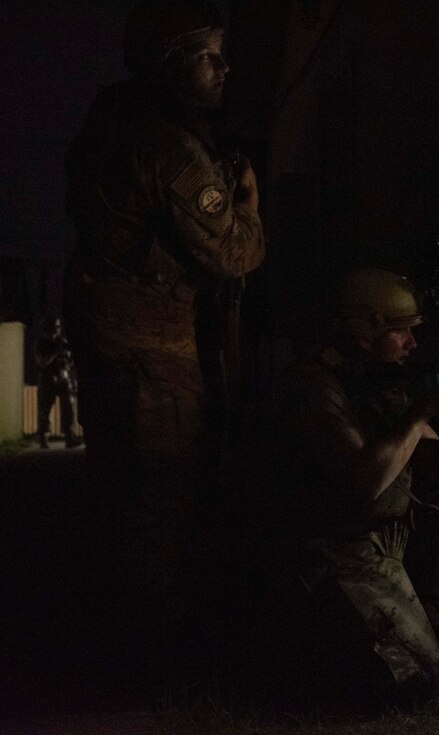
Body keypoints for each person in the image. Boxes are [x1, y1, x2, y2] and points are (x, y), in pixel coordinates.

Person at [62, 0, 265, 696]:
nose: (223, 68)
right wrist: (245, 194)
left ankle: (114, 649)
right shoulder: (170, 144)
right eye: (208, 55)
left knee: (119, 496)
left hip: (113, 337)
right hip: (152, 348)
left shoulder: (110, 116)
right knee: (160, 498)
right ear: (170, 60)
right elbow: (234, 253)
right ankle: (145, 669)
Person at [248, 268, 439, 708]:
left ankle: (424, 633)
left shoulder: (375, 380)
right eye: (401, 333)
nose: (412, 344)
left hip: (385, 537)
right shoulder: (314, 388)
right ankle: (401, 652)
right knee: (421, 682)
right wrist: (417, 415)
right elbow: (365, 481)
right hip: (333, 551)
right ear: (364, 331)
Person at [33, 317, 80, 449]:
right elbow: (41, 362)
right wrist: (55, 353)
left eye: (58, 327)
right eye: (54, 327)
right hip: (47, 379)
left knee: (68, 408)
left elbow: (70, 361)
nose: (56, 330)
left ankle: (69, 437)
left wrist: (67, 364)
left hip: (63, 378)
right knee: (45, 409)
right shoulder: (41, 343)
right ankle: (43, 438)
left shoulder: (63, 342)